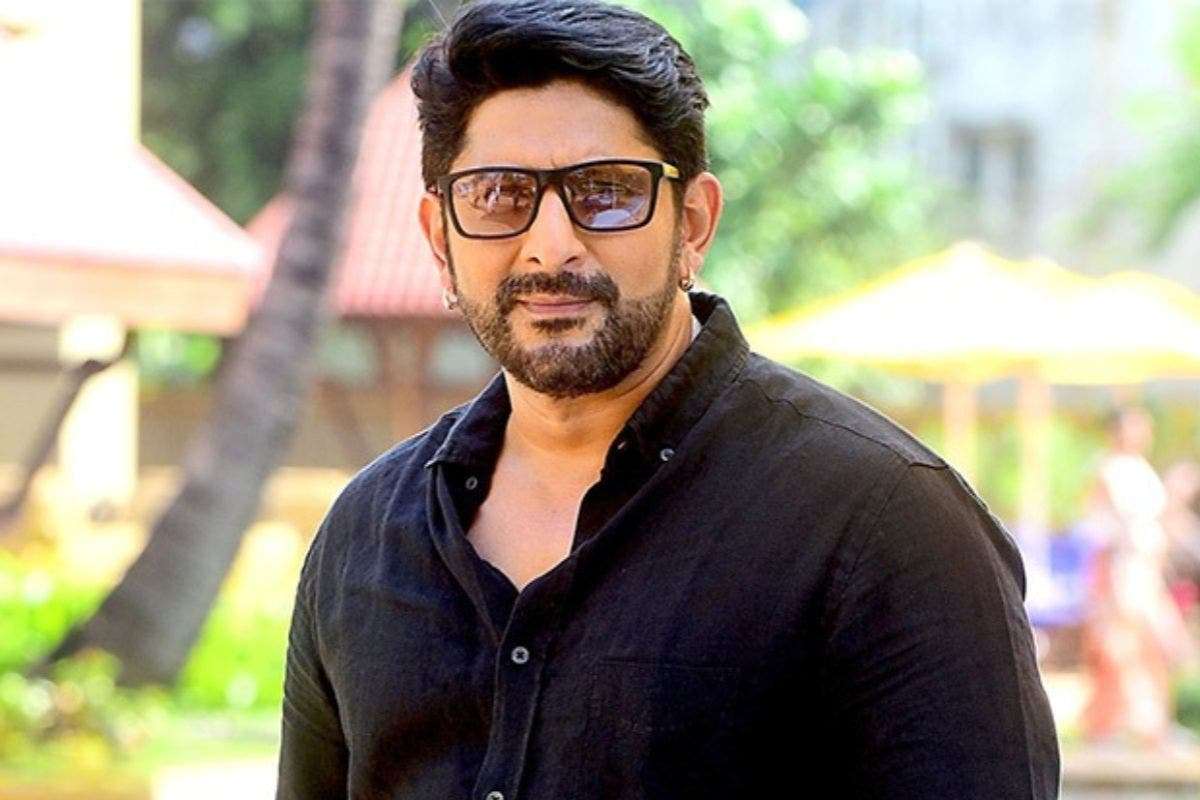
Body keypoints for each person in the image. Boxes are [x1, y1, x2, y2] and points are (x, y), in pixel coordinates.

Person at [276, 1, 1060, 797]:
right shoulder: (364, 538)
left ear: (693, 223)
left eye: (606, 192)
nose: (551, 245)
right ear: (440, 238)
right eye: (500, 195)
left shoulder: (885, 523)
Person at [1081, 408, 1197, 747]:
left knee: (1155, 648)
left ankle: (1154, 725)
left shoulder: (1141, 469)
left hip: (1147, 573)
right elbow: (1100, 534)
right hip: (1124, 574)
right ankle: (1106, 727)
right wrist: (1106, 586)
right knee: (1120, 651)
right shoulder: (1109, 471)